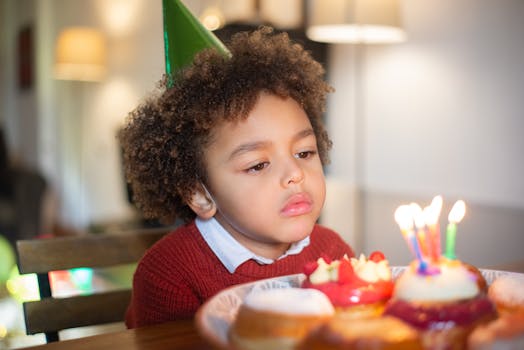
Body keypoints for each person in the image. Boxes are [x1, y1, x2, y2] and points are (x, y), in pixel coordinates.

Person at [119, 25, 355, 328]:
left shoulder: (332, 251)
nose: (295, 174)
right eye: (258, 165)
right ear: (201, 195)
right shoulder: (169, 274)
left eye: (304, 153)